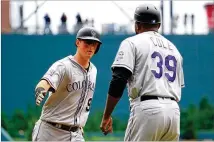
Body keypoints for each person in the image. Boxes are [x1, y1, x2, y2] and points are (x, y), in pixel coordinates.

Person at [100, 3, 185, 141]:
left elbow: (118, 80)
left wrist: (106, 116)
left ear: (137, 25)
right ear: (159, 25)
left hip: (148, 109)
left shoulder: (132, 42)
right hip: (173, 113)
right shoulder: (175, 50)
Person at [32, 26, 102, 141]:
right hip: (51, 130)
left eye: (94, 44)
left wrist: (77, 123)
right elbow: (46, 81)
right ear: (77, 42)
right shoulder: (64, 66)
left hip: (75, 134)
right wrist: (41, 88)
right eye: (87, 43)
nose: (91, 47)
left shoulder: (93, 70)